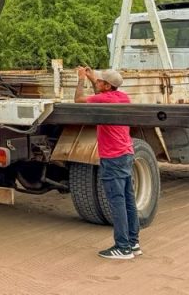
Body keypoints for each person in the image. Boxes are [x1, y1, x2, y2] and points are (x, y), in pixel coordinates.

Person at [75, 66, 141, 260]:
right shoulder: (122, 97)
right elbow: (101, 95)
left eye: (100, 81)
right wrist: (92, 77)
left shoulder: (105, 99)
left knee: (116, 201)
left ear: (107, 86)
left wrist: (81, 78)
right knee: (128, 200)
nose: (97, 81)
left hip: (112, 157)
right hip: (126, 153)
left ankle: (122, 247)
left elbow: (78, 100)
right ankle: (133, 242)